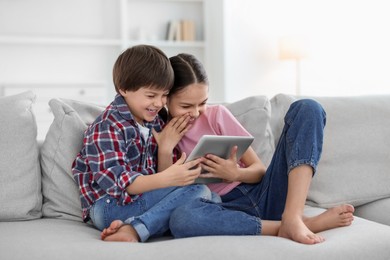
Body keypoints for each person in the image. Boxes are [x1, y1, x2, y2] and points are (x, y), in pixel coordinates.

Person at [164, 53, 355, 245]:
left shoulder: (216, 115)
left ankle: (293, 217)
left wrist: (235, 173)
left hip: (263, 194)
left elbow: (259, 170)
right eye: (186, 106)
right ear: (165, 99)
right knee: (182, 219)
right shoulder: (157, 134)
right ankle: (292, 226)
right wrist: (165, 148)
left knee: (308, 108)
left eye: (203, 103)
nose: (196, 113)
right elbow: (165, 194)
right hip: (220, 209)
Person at [71, 45, 213, 243]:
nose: (158, 103)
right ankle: (137, 229)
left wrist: (166, 150)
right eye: (151, 95)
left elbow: (160, 181)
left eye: (164, 95)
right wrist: (169, 178)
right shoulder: (108, 126)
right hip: (109, 206)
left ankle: (133, 225)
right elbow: (121, 183)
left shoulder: (155, 121)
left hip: (143, 201)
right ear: (124, 89)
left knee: (210, 198)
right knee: (199, 193)